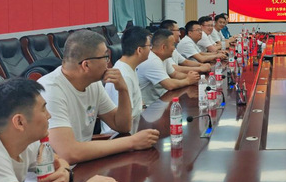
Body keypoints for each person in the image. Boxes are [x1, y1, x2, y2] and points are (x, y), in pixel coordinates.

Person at [38, 30, 160, 165]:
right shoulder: (50, 90)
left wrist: (123, 90)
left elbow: (122, 126)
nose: (109, 62)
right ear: (86, 65)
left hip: (84, 163)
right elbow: (69, 153)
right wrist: (133, 142)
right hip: (56, 172)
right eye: (105, 57)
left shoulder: (93, 84)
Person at [100, 26, 150, 135]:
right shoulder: (123, 75)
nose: (150, 49)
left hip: (133, 130)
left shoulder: (129, 68)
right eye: (149, 46)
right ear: (139, 50)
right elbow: (121, 120)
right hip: (119, 136)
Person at [136, 29, 200, 105]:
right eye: (173, 45)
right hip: (149, 107)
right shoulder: (152, 60)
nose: (174, 48)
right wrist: (188, 80)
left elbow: (174, 74)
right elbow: (169, 85)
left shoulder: (163, 57)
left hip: (162, 100)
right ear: (163, 47)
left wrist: (192, 77)